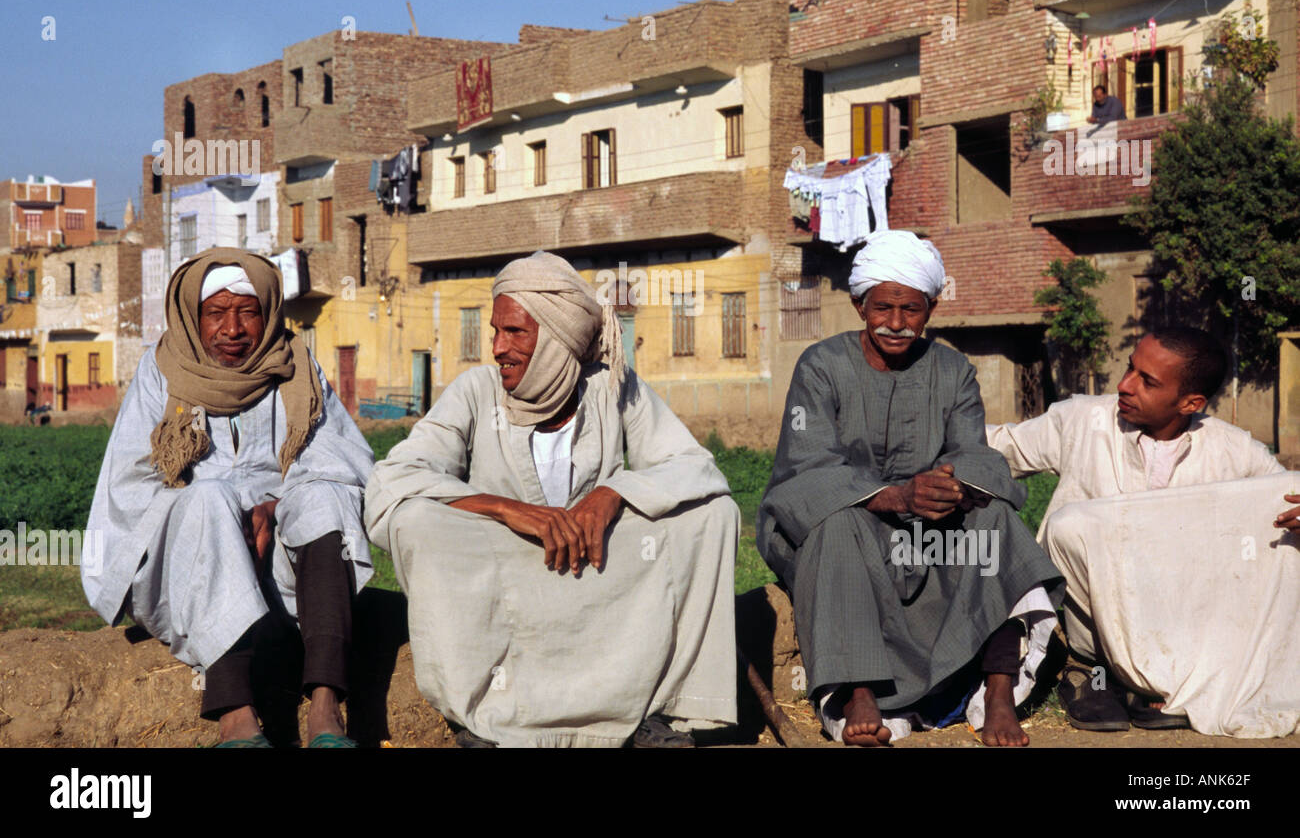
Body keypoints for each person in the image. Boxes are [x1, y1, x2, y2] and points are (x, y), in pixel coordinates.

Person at [365, 250, 739, 748]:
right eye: (495, 331)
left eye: (515, 332)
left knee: (712, 515)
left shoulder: (613, 389)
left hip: (598, 570)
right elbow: (395, 479)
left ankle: (662, 713)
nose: (497, 347)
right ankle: (483, 717)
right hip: (511, 575)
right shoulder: (476, 392)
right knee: (417, 522)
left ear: (558, 337)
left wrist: (613, 494)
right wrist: (506, 510)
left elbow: (695, 467)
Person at [757, 230, 1063, 748]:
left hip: (926, 528)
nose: (896, 323)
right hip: (846, 525)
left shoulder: (953, 370)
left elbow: (975, 455)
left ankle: (998, 692)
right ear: (859, 305)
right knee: (840, 521)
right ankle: (859, 691)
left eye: (911, 310)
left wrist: (954, 488)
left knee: (996, 522)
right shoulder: (821, 366)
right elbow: (808, 466)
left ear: (932, 308)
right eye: (883, 307)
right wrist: (895, 497)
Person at [82, 249, 373, 748]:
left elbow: (344, 462)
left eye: (247, 311)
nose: (232, 328)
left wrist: (275, 508)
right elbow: (128, 487)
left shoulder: (296, 367)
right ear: (194, 319)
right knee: (210, 498)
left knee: (323, 497)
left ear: (269, 312)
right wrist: (213, 514)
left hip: (281, 579)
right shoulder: (162, 373)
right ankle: (236, 716)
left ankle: (326, 710)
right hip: (189, 573)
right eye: (216, 312)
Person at [988, 327, 1300, 735]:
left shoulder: (1235, 452)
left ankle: (1160, 679)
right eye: (1130, 368)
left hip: (1181, 624)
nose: (1124, 385)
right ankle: (1086, 671)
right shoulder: (1082, 420)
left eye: (1147, 381)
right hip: (1093, 627)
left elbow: (1284, 494)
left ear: (1191, 402)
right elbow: (995, 447)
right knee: (1071, 526)